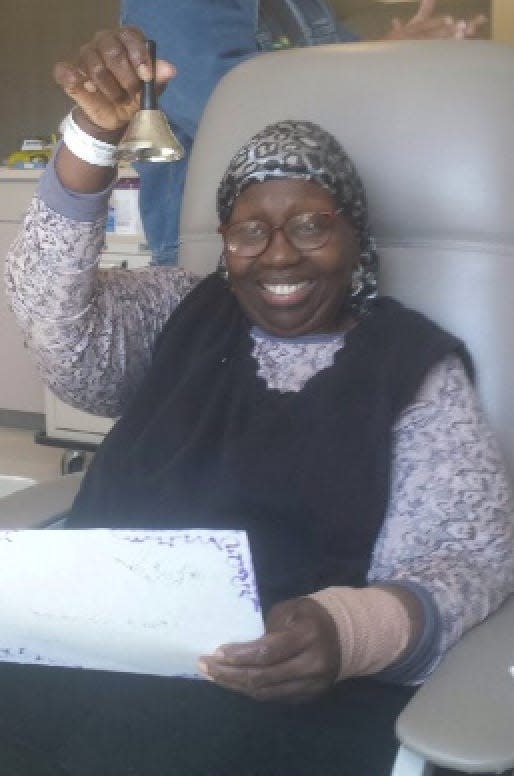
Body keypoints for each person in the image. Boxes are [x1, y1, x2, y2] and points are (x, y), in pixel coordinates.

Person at [4, 26, 513, 774]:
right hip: (85, 652)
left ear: (356, 237)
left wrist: (347, 630)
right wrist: (90, 137)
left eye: (311, 225)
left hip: (276, 703)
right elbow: (56, 325)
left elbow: (465, 563)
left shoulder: (414, 369)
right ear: (226, 243)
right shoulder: (183, 307)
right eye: (250, 231)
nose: (278, 254)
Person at [115, 0, 486, 265]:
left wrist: (403, 57)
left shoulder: (303, 7)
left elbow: (348, 94)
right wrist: (385, 64)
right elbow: (240, 119)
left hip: (317, 252)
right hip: (227, 261)